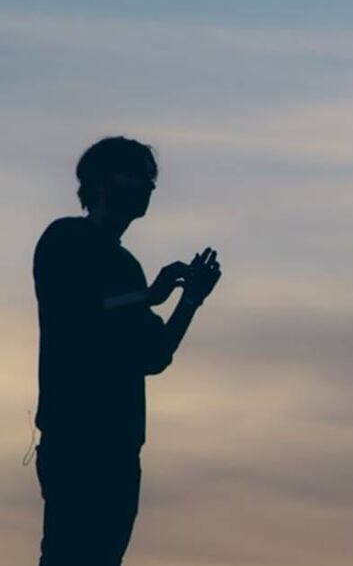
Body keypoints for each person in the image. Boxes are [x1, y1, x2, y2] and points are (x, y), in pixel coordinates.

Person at [33, 136, 222, 565]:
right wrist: (148, 297)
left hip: (120, 447)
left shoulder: (127, 266)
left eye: (149, 180)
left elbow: (154, 356)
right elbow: (72, 312)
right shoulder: (63, 239)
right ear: (101, 182)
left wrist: (189, 302)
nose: (147, 188)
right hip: (75, 439)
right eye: (135, 176)